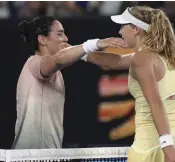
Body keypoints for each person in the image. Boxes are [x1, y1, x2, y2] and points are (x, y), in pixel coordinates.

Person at [83, 6, 175, 162]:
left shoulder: (142, 59)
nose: (120, 32)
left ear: (136, 29)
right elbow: (111, 62)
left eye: (123, 26)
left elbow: (156, 103)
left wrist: (166, 144)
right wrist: (81, 49)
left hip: (155, 144)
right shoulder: (159, 55)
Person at [12, 16, 126, 149]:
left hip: (49, 155)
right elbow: (57, 60)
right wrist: (94, 44)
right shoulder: (34, 63)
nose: (65, 38)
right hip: (28, 156)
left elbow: (109, 63)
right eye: (60, 34)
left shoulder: (57, 73)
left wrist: (82, 52)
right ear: (42, 39)